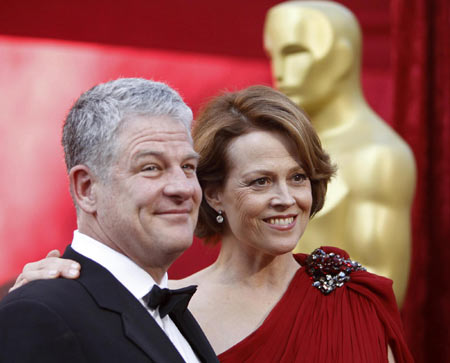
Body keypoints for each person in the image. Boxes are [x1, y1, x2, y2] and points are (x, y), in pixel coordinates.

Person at [9, 85, 413, 362]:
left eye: (298, 177)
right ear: (214, 192)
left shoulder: (355, 296)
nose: (286, 199)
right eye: (260, 181)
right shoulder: (162, 306)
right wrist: (42, 292)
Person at [0, 78, 218, 363]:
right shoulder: (40, 312)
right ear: (87, 188)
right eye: (151, 167)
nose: (183, 188)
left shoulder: (175, 314)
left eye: (188, 167)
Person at [264, 0, 416, 306]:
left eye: (296, 53)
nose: (280, 71)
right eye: (274, 55)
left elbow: (380, 292)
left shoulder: (377, 157)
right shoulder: (267, 145)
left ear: (342, 58)